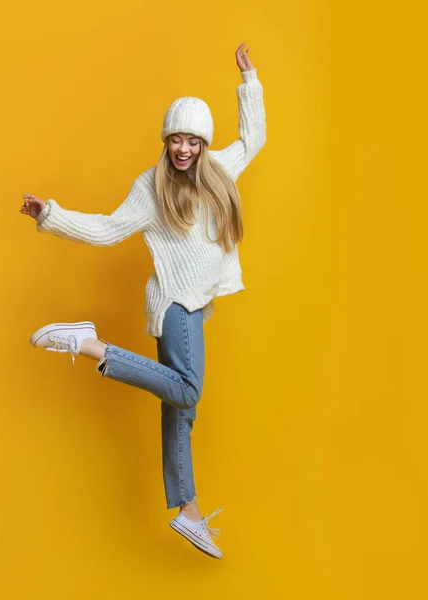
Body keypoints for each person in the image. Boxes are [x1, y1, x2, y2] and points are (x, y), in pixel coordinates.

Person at [20, 42, 266, 559]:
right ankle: (90, 345)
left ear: (202, 143)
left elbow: (254, 139)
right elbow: (108, 229)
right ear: (166, 141)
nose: (182, 149)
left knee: (180, 410)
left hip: (196, 304)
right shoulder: (150, 189)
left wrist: (249, 82)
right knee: (188, 391)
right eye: (174, 139)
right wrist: (51, 215)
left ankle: (189, 511)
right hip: (174, 304)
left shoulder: (219, 172)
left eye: (191, 140)